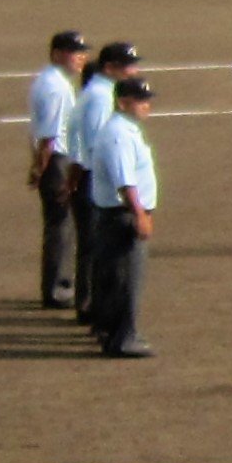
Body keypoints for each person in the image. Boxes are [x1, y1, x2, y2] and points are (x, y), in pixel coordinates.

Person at [87, 78, 161, 358]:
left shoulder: (124, 129)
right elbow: (125, 181)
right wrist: (139, 214)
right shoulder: (119, 134)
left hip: (118, 214)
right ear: (122, 102)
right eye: (140, 100)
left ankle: (112, 332)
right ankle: (122, 338)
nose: (147, 105)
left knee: (116, 276)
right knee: (126, 279)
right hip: (122, 215)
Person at [71, 41, 139, 328]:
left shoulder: (97, 90)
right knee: (98, 249)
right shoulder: (102, 96)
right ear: (110, 67)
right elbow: (101, 145)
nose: (134, 71)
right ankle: (93, 308)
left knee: (93, 247)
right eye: (128, 66)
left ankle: (92, 306)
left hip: (88, 174)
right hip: (96, 179)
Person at [27, 30, 89, 309]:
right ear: (57, 54)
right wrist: (40, 169)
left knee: (58, 224)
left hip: (54, 161)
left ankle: (55, 285)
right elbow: (49, 136)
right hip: (58, 162)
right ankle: (57, 289)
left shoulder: (48, 80)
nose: (80, 58)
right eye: (75, 52)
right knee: (60, 226)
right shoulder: (56, 87)